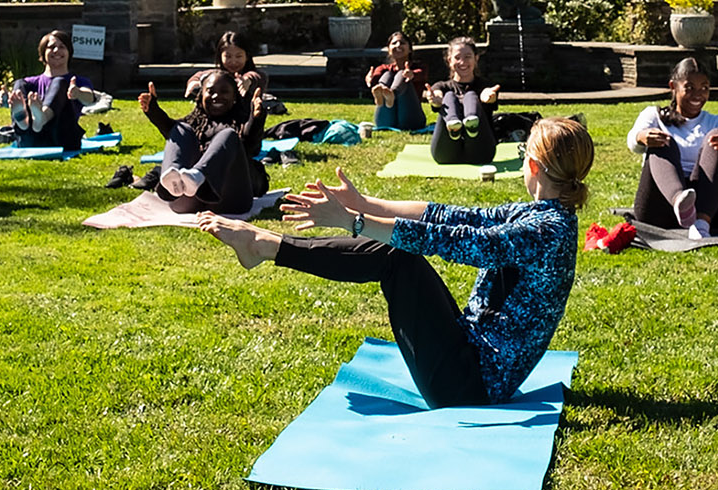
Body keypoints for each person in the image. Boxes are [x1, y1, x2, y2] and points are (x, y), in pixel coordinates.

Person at [197, 117, 594, 409]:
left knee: (394, 256)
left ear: (534, 167)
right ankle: (265, 246)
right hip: (471, 359)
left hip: (472, 388)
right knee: (400, 253)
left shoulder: (548, 232)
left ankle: (264, 246)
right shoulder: (543, 217)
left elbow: (464, 242)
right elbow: (449, 216)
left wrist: (354, 222)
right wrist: (366, 205)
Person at [626, 57, 718, 237]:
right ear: (673, 86)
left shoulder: (717, 121)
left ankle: (701, 224)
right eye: (690, 88)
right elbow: (632, 142)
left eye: (704, 88)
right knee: (662, 139)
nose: (698, 94)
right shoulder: (654, 115)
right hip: (659, 209)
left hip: (710, 209)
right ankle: (680, 202)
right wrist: (641, 136)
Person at [139, 69, 269, 214]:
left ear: (235, 97)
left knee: (228, 135)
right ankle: (172, 180)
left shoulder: (241, 122)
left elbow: (250, 146)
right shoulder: (193, 123)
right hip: (185, 202)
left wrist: (256, 118)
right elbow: (171, 132)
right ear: (201, 95)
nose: (216, 96)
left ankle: (198, 175)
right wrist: (153, 110)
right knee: (181, 128)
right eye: (210, 91)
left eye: (224, 92)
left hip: (230, 202)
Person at [1, 30, 97, 151]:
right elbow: (14, 96)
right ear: (43, 53)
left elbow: (89, 98)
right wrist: (4, 99)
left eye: (62, 47)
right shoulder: (29, 83)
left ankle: (42, 118)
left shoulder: (76, 81)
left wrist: (78, 93)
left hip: (61, 139)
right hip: (31, 141)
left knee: (60, 82)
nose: (56, 51)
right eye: (51, 47)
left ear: (69, 52)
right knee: (19, 83)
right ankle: (23, 121)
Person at [428, 36, 500, 166]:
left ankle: (472, 125)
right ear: (449, 61)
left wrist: (488, 98)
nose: (462, 62)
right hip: (445, 154)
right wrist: (437, 100)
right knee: (449, 96)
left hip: (480, 153)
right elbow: (437, 93)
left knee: (471, 95)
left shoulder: (485, 86)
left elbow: (487, 93)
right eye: (457, 58)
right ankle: (453, 126)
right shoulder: (442, 87)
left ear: (476, 59)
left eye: (467, 57)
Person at [367, 31, 427, 132]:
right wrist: (371, 79)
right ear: (389, 49)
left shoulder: (419, 67)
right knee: (387, 75)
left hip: (411, 120)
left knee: (401, 74)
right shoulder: (384, 68)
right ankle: (383, 93)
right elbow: (376, 75)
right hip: (385, 121)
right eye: (394, 43)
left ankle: (392, 93)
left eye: (402, 43)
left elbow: (421, 74)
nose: (398, 45)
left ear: (410, 49)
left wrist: (411, 75)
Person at [185, 31, 267, 101]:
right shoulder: (217, 75)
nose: (233, 62)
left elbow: (256, 77)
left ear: (247, 57)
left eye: (238, 56)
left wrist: (247, 81)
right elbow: (201, 75)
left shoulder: (257, 76)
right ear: (220, 56)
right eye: (228, 56)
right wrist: (194, 82)